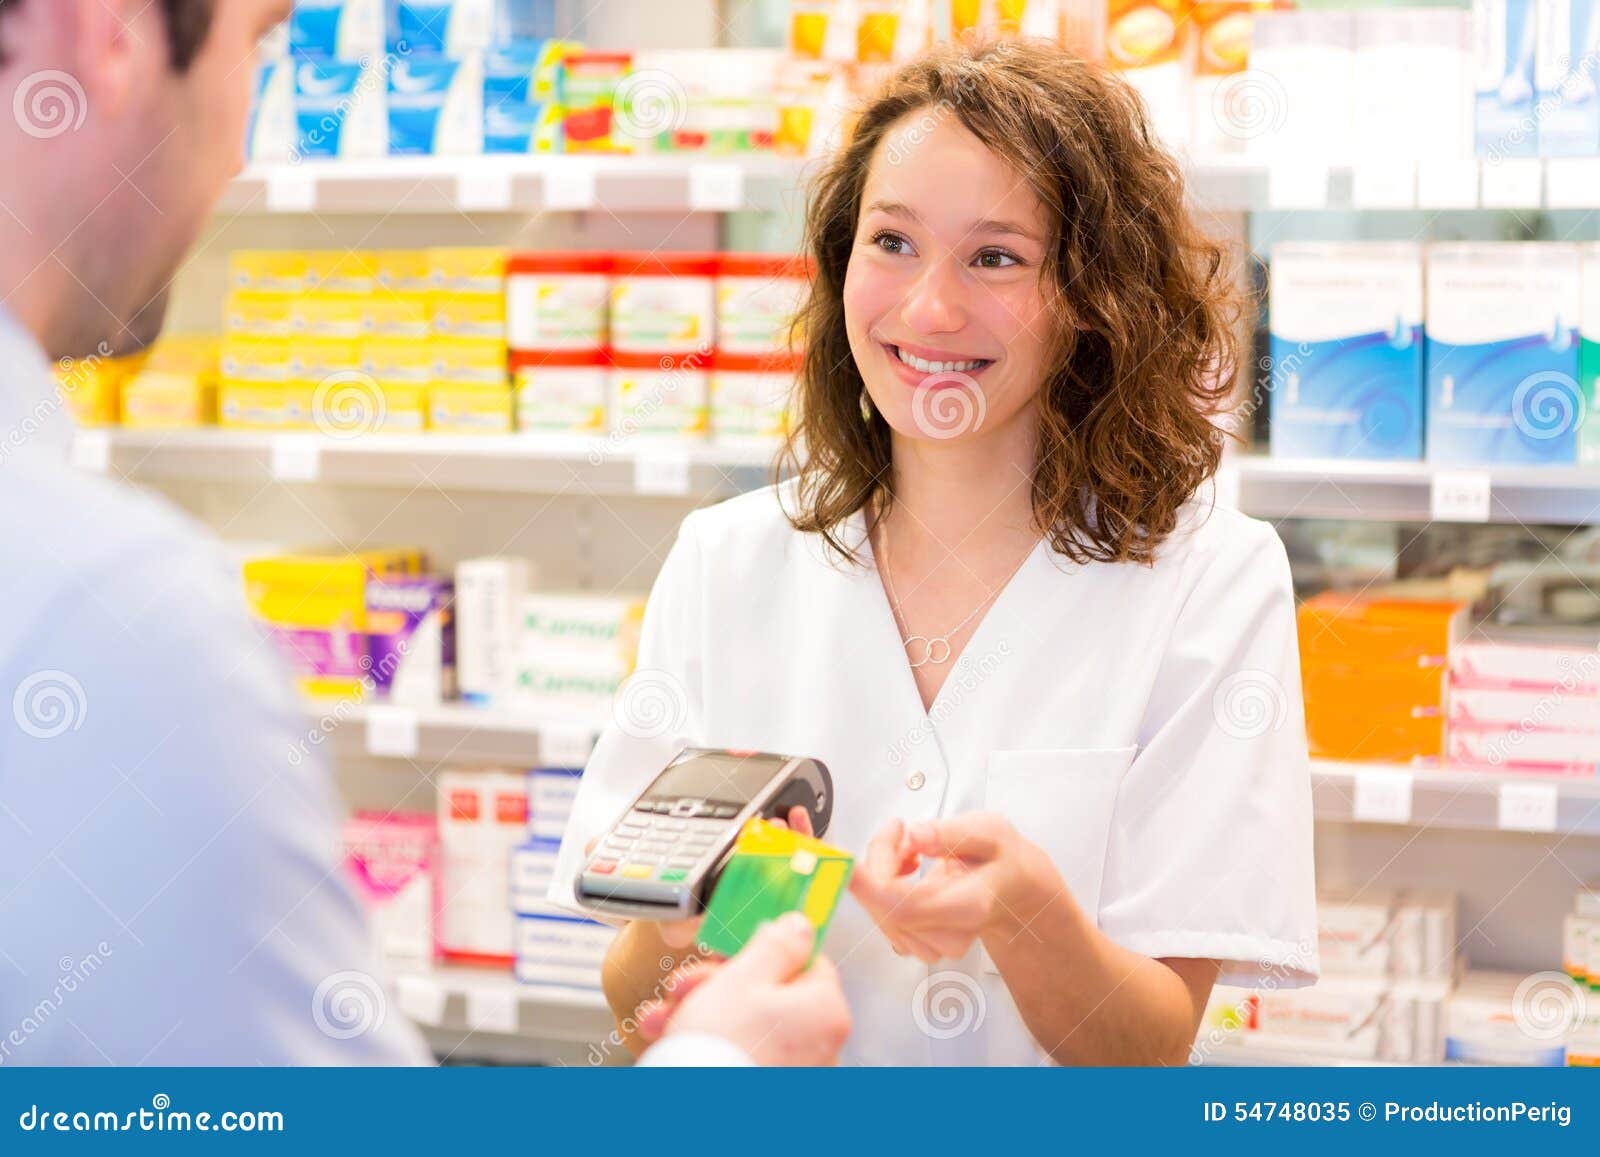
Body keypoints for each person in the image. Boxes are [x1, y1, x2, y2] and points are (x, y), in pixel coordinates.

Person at [0, 0, 849, 1067]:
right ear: (105, 32)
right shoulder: (114, 616)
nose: (244, 142)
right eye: (258, 47)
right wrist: (723, 1062)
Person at [552, 38, 1320, 1066]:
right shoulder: (725, 560)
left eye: (996, 256)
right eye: (891, 242)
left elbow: (1145, 1051)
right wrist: (686, 923)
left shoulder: (1209, 580)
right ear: (839, 260)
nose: (927, 309)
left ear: (1094, 296)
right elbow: (626, 988)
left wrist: (1026, 907)